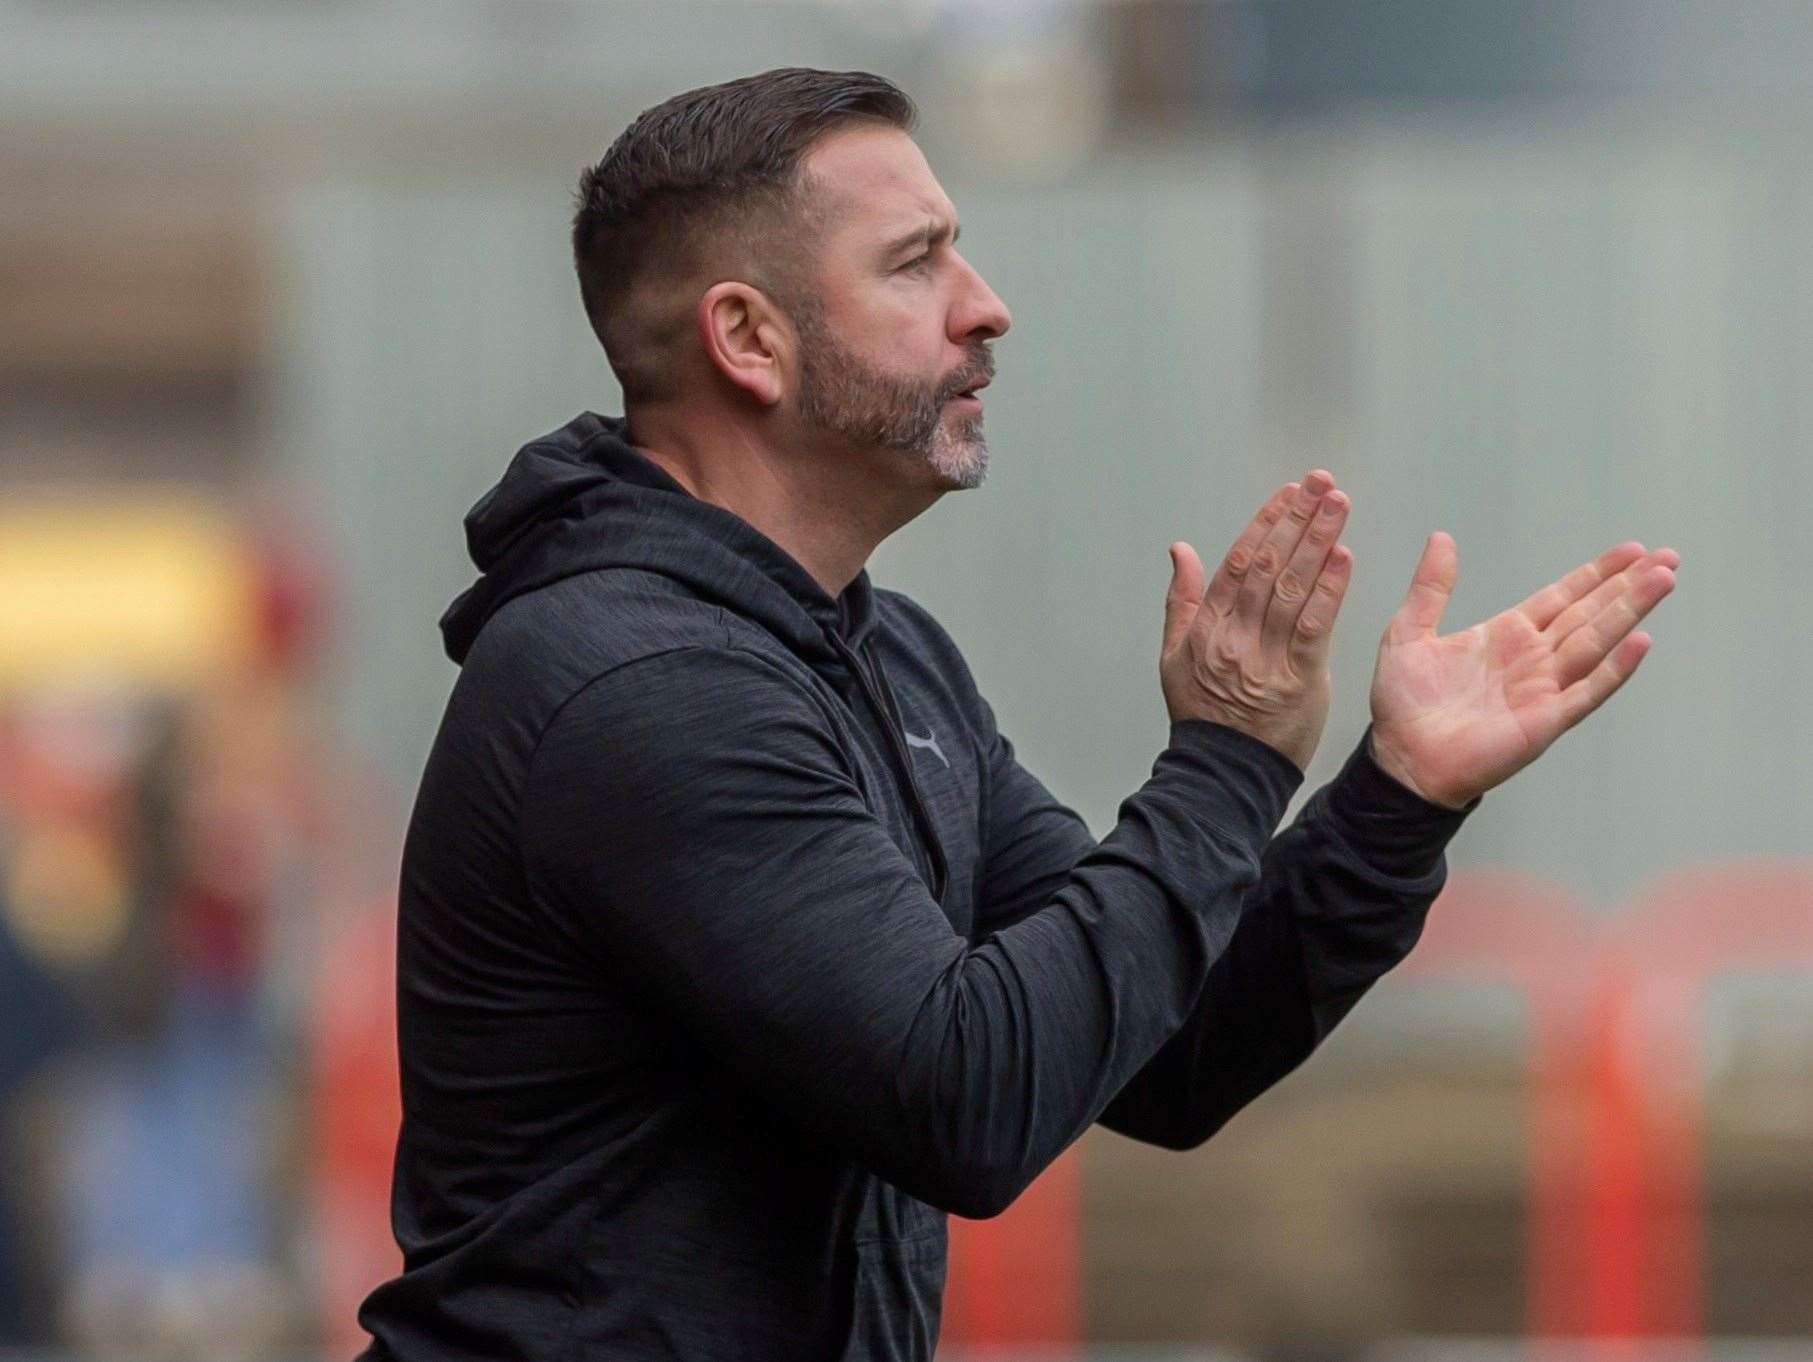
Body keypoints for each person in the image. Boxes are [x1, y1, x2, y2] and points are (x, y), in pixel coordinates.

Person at [353, 67, 1679, 1362]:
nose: (986, 309)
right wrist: (1221, 760)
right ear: (746, 337)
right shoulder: (640, 684)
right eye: (914, 262)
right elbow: (964, 1097)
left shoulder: (881, 656)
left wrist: (1396, 793)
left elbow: (1171, 1053)